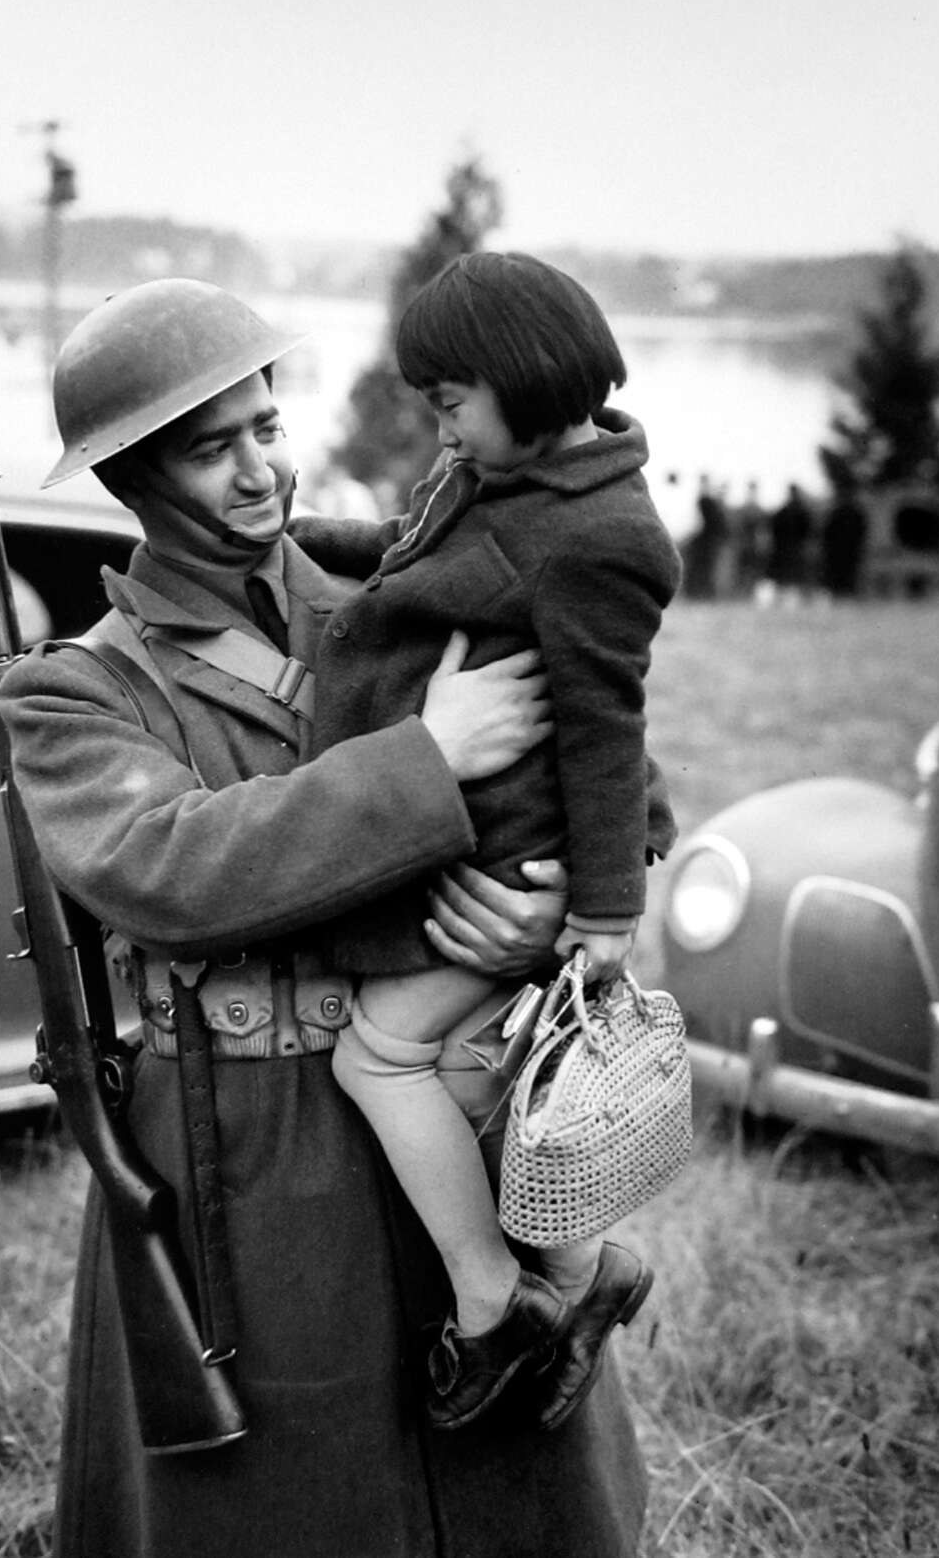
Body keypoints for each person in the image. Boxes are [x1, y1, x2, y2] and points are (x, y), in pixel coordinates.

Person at [0, 278, 650, 1558]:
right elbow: (167, 867)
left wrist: (543, 912)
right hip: (247, 1165)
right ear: (134, 478)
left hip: (441, 1113)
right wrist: (428, 760)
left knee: (520, 1490)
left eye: (267, 426)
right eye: (211, 447)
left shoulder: (403, 596)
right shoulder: (73, 693)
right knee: (293, 1506)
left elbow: (611, 760)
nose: (261, 470)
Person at [289, 251, 681, 1436]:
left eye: (452, 402)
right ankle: (583, 1270)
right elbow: (429, 564)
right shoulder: (508, 475)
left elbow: (609, 732)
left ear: (519, 380)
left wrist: (605, 914)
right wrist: (309, 540)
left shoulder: (600, 539)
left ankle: (491, 1299)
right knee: (475, 1072)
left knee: (382, 1057)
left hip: (521, 859)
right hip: (480, 834)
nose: (441, 429)